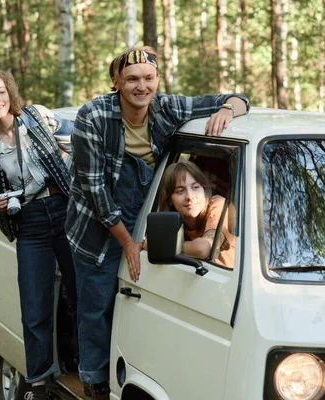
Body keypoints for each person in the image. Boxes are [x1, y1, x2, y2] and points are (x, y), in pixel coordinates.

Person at [65, 46, 249, 398]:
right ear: (116, 82)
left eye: (148, 78)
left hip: (142, 209)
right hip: (93, 222)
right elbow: (94, 189)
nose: (141, 86)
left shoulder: (168, 106)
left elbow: (238, 99)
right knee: (98, 303)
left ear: (157, 81)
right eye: (132, 79)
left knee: (135, 298)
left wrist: (227, 109)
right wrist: (128, 243)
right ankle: (95, 380)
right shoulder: (93, 116)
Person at [0, 71, 77, 400]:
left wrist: (64, 158)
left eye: (1, 91)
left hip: (63, 210)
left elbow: (79, 139)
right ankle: (40, 381)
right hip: (29, 224)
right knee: (34, 305)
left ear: (10, 93)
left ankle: (83, 366)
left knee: (80, 292)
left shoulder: (37, 117)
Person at [154, 160, 235, 268]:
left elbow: (203, 249)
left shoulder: (218, 205)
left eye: (195, 187)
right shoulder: (173, 219)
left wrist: (159, 247)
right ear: (169, 199)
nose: (190, 196)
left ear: (204, 189)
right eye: (180, 191)